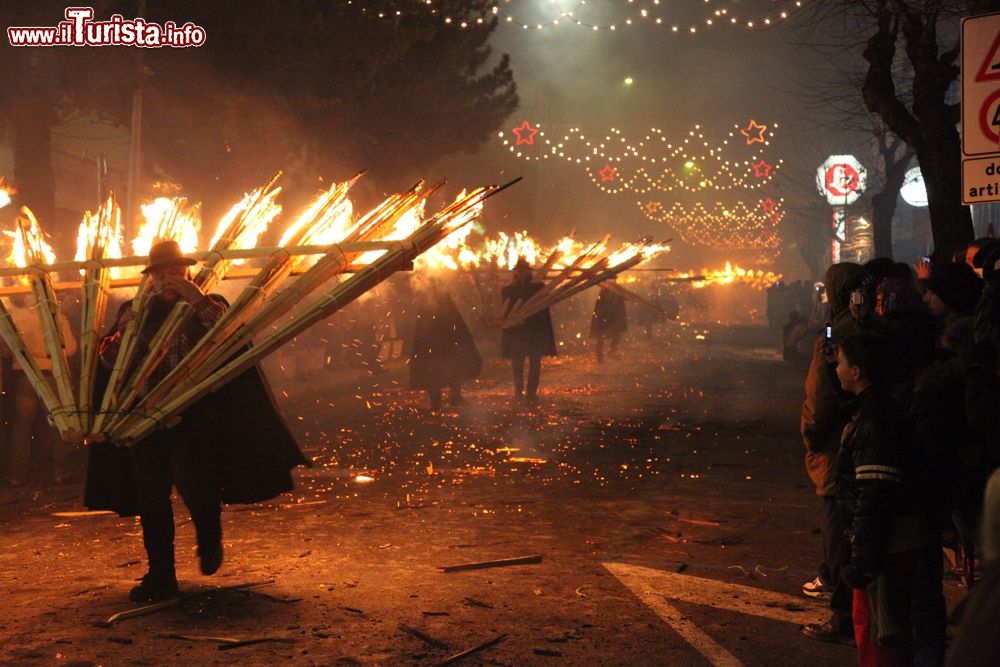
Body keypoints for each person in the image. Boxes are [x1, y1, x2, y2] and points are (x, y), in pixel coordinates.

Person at [85, 240, 309, 602]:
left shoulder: (209, 303)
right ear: (151, 278)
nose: (169, 278)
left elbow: (229, 336)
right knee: (151, 499)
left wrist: (194, 296)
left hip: (192, 416)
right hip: (143, 421)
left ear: (187, 272)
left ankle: (209, 537)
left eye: (176, 271)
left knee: (196, 486)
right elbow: (108, 360)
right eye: (161, 273)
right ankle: (161, 576)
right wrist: (124, 330)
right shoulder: (134, 311)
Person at [834, 333, 925, 666]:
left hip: (886, 549)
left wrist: (863, 561)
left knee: (880, 639)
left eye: (841, 362)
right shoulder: (873, 408)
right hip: (887, 545)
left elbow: (874, 497)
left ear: (857, 371)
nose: (836, 367)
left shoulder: (874, 420)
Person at [800, 262, 867, 644]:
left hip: (838, 447)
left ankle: (843, 615)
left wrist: (811, 436)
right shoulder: (869, 327)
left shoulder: (835, 336)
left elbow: (820, 399)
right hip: (861, 441)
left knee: (838, 531)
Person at [4, 295, 78, 485]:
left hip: (24, 375)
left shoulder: (13, 317)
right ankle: (62, 471)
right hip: (50, 374)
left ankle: (16, 474)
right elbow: (70, 348)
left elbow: (5, 349)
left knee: (22, 425)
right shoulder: (56, 317)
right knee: (58, 424)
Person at [408, 276, 482, 410]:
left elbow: (455, 323)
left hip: (446, 344)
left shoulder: (444, 300)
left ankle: (453, 398)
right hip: (433, 344)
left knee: (451, 369)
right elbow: (423, 327)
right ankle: (439, 401)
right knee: (435, 373)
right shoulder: (426, 302)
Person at [501, 258, 557, 403]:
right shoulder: (510, 289)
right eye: (519, 270)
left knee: (535, 361)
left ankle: (531, 391)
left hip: (534, 330)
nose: (522, 273)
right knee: (517, 362)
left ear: (529, 271)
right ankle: (518, 390)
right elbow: (505, 302)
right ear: (516, 272)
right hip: (517, 331)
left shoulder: (538, 287)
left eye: (524, 270)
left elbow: (544, 303)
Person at [589, 278, 628, 363]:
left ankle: (612, 351)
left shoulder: (617, 289)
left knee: (617, 334)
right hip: (604, 316)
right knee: (601, 337)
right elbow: (601, 305)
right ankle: (600, 357)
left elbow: (626, 297)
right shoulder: (604, 290)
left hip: (614, 316)